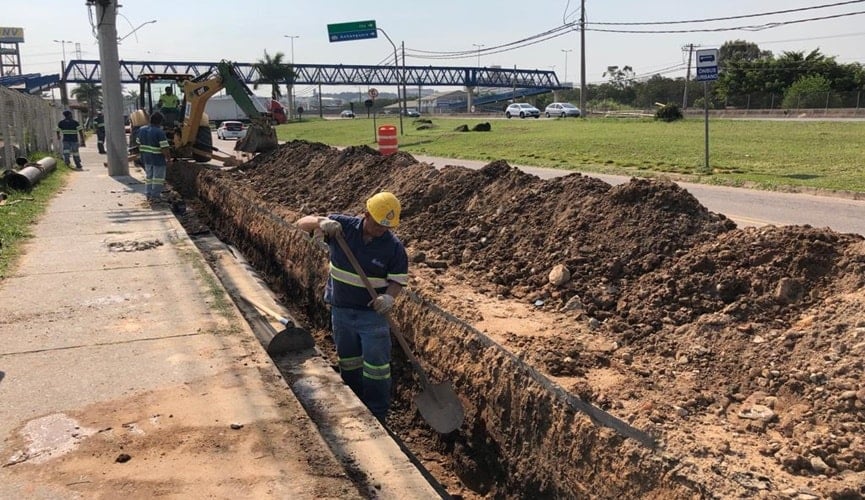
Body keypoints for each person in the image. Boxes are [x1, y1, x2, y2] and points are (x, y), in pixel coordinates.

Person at [296, 192, 409, 421]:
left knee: (377, 367)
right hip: (341, 310)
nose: (381, 230)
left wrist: (389, 298)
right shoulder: (342, 228)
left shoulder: (394, 248)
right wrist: (321, 222)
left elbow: (397, 280)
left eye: (386, 227)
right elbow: (301, 224)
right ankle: (354, 401)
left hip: (372, 316)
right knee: (348, 360)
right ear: (366, 214)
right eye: (377, 224)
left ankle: (377, 413)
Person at [135, 112, 172, 203]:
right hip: (158, 159)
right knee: (158, 179)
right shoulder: (159, 132)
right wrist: (168, 159)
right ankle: (155, 196)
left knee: (149, 177)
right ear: (160, 122)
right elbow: (165, 148)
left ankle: (148, 194)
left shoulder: (141, 130)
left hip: (146, 158)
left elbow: (138, 142)